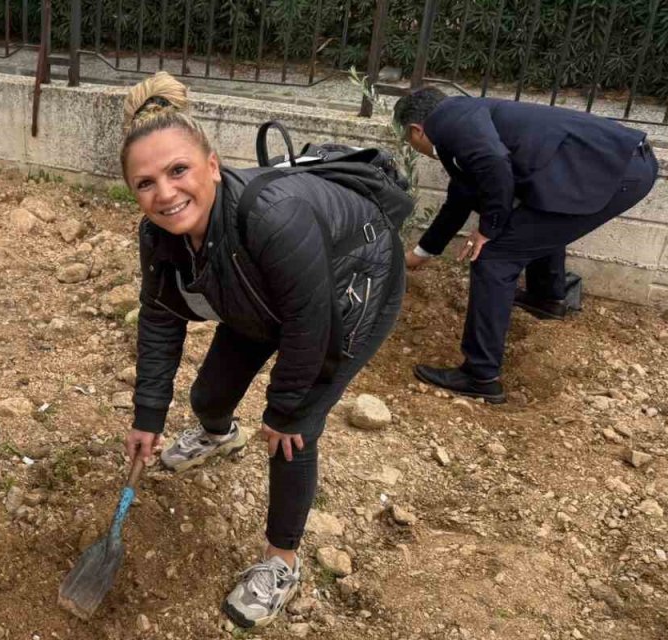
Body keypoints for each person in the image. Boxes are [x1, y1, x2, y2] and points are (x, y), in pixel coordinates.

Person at [119, 72, 407, 628]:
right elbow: (159, 317)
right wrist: (148, 415)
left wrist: (288, 406)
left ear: (212, 164)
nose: (165, 193)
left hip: (352, 290)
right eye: (145, 182)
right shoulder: (159, 236)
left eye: (178, 170)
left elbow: (311, 319)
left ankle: (281, 560)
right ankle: (218, 434)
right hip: (260, 290)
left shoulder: (272, 213)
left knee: (292, 436)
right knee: (209, 397)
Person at [396, 87, 659, 402]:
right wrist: (421, 254)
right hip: (619, 164)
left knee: (493, 258)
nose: (413, 147)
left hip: (613, 171)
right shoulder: (463, 117)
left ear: (416, 130)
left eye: (408, 141)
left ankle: (480, 375)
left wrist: (488, 229)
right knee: (539, 216)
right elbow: (461, 197)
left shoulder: (449, 123)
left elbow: (494, 163)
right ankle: (546, 298)